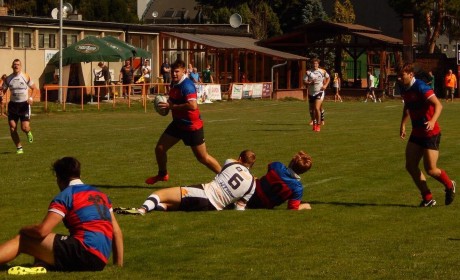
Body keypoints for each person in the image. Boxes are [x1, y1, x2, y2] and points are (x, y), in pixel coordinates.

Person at [0, 157, 124, 275]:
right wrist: (118, 266)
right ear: (79, 175)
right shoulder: (101, 195)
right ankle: (41, 265)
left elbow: (42, 231)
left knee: (25, 239)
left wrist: (24, 230)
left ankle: (40, 263)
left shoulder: (66, 195)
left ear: (59, 179)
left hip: (84, 252)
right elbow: (116, 232)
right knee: (49, 243)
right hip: (100, 260)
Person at [145, 59, 222, 185]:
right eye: (172, 72)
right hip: (178, 124)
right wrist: (164, 105)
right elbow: (173, 100)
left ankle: (225, 177)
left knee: (202, 158)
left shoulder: (187, 85)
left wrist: (172, 107)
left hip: (191, 126)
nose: (174, 74)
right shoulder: (174, 84)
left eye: (177, 71)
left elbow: (193, 106)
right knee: (159, 149)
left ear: (184, 71)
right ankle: (162, 174)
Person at [117, 150, 256, 215]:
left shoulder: (231, 163)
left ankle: (142, 210)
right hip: (213, 208)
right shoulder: (252, 185)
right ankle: (157, 208)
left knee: (160, 194)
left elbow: (231, 162)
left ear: (239, 158)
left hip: (205, 194)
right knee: (168, 205)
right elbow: (240, 208)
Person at [398, 63, 456, 207]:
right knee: (411, 166)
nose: (399, 78)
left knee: (431, 169)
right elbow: (407, 106)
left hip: (431, 133)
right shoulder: (404, 87)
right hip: (417, 132)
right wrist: (403, 124)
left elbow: (438, 105)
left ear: (411, 75)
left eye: (402, 75)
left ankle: (450, 185)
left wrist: (432, 120)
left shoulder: (421, 87)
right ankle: (428, 198)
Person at [246, 151, 313, 210]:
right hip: (262, 205)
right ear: (304, 171)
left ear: (292, 162)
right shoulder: (298, 188)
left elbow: (270, 167)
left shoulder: (277, 166)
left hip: (249, 192)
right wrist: (305, 206)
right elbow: (293, 207)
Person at [2, 59, 37, 154]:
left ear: (20, 66)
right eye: (14, 64)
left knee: (24, 128)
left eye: (18, 64)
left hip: (24, 105)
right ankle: (19, 147)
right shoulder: (8, 79)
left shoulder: (25, 76)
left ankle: (28, 132)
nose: (16, 66)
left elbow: (34, 88)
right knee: (12, 127)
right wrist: (1, 95)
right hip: (13, 105)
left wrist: (31, 98)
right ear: (12, 66)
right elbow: (3, 90)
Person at [304, 58, 330, 132]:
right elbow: (304, 81)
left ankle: (318, 125)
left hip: (319, 91)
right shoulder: (308, 72)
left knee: (316, 108)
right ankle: (314, 123)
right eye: (314, 63)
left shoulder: (322, 71)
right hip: (311, 92)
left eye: (316, 63)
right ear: (312, 64)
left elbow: (328, 78)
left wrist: (325, 86)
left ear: (318, 64)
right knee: (311, 110)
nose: (315, 65)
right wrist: (309, 83)